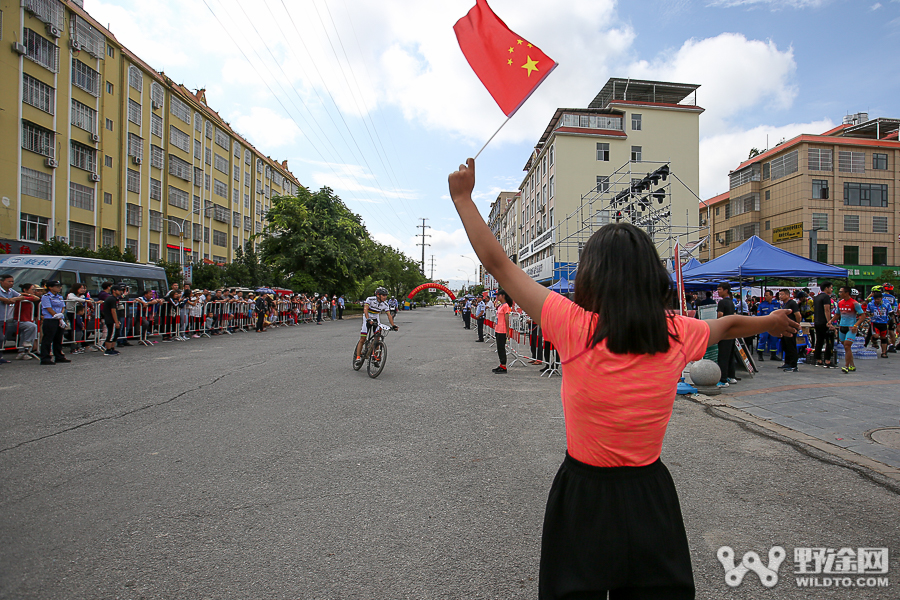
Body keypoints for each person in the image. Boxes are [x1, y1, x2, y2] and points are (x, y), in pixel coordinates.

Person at [448, 158, 798, 599]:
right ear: (652, 275)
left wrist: (463, 199)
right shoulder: (675, 332)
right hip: (650, 495)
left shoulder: (573, 325)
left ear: (592, 276)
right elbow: (727, 327)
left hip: (583, 496)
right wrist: (770, 322)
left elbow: (498, 264)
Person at [355, 287, 398, 364]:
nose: (385, 297)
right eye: (383, 295)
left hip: (375, 318)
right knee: (363, 338)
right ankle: (358, 356)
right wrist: (368, 319)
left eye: (386, 295)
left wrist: (393, 325)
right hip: (367, 317)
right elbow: (365, 309)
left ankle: (375, 357)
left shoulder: (385, 304)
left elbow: (389, 315)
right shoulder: (370, 299)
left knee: (377, 338)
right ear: (378, 295)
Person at [39, 280, 73, 365]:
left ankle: (59, 356)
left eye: (59, 286)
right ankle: (45, 358)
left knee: (58, 338)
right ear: (50, 287)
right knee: (48, 339)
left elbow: (63, 307)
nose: (59, 288)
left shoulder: (59, 297)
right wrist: (57, 316)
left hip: (59, 319)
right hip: (50, 319)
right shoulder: (46, 296)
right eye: (57, 286)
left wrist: (61, 315)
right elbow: (48, 308)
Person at [835, 286, 865, 373]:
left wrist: (856, 325)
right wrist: (830, 321)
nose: (839, 293)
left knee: (847, 346)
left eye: (841, 292)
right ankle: (852, 365)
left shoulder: (855, 303)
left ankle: (846, 366)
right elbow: (837, 314)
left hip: (851, 327)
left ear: (847, 293)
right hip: (842, 327)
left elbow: (862, 316)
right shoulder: (840, 302)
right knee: (846, 348)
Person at [0, 274, 28, 363]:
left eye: (12, 281)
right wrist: (7, 300)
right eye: (9, 281)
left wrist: (14, 298)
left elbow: (22, 296)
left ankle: (0, 357)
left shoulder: (10, 291)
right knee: (0, 338)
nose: (11, 283)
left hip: (6, 318)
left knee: (3, 338)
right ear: (2, 282)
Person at [11, 283, 40, 359]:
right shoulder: (19, 297)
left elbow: (36, 298)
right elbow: (18, 297)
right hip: (20, 319)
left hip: (28, 319)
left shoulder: (25, 297)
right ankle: (26, 345)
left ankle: (23, 352)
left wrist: (25, 294)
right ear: (25, 290)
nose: (34, 291)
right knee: (32, 327)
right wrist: (23, 295)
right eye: (32, 289)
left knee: (25, 334)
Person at [716, 283, 737, 387]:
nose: (718, 291)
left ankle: (723, 380)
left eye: (719, 289)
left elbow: (720, 316)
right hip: (731, 332)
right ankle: (731, 376)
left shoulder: (722, 302)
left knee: (723, 356)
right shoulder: (731, 302)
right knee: (730, 355)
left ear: (726, 290)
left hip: (724, 332)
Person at [812, 282, 835, 368]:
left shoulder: (817, 297)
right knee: (829, 341)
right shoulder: (826, 297)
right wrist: (829, 322)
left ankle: (818, 360)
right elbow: (827, 310)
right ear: (826, 288)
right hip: (824, 322)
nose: (832, 290)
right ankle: (827, 361)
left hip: (817, 322)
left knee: (819, 341)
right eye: (831, 288)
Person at [778, 289, 801, 372]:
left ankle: (793, 365)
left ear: (788, 295)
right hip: (784, 328)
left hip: (791, 328)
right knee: (785, 345)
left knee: (791, 346)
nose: (780, 296)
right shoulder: (784, 304)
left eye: (782, 294)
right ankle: (787, 362)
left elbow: (798, 315)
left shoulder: (792, 303)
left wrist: (797, 325)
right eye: (779, 295)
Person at [755, 290, 781, 361]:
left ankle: (773, 355)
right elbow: (759, 315)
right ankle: (760, 355)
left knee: (774, 340)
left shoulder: (777, 304)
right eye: (765, 295)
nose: (765, 297)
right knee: (762, 339)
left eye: (767, 295)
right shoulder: (762, 305)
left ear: (771, 296)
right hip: (764, 326)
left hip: (774, 326)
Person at [101, 285, 126, 355]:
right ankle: (108, 350)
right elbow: (113, 311)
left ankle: (112, 348)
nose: (121, 292)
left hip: (113, 319)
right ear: (114, 291)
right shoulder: (111, 299)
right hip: (110, 319)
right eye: (119, 290)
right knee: (111, 334)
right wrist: (116, 321)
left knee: (116, 334)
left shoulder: (115, 298)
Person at [867, 291, 891, 358]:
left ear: (881, 298)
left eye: (878, 299)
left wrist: (892, 321)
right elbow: (867, 312)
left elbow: (891, 312)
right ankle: (874, 341)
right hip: (875, 322)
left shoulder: (886, 304)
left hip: (884, 323)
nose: (877, 301)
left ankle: (884, 352)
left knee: (884, 338)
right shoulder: (870, 304)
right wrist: (870, 314)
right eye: (875, 299)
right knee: (876, 336)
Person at [492, 290, 511, 373]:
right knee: (499, 348)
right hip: (498, 329)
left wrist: (507, 331)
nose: (497, 297)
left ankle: (504, 366)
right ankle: (501, 364)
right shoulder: (500, 306)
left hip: (502, 330)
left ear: (503, 296)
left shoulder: (506, 306)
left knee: (501, 348)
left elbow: (507, 319)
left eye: (498, 295)